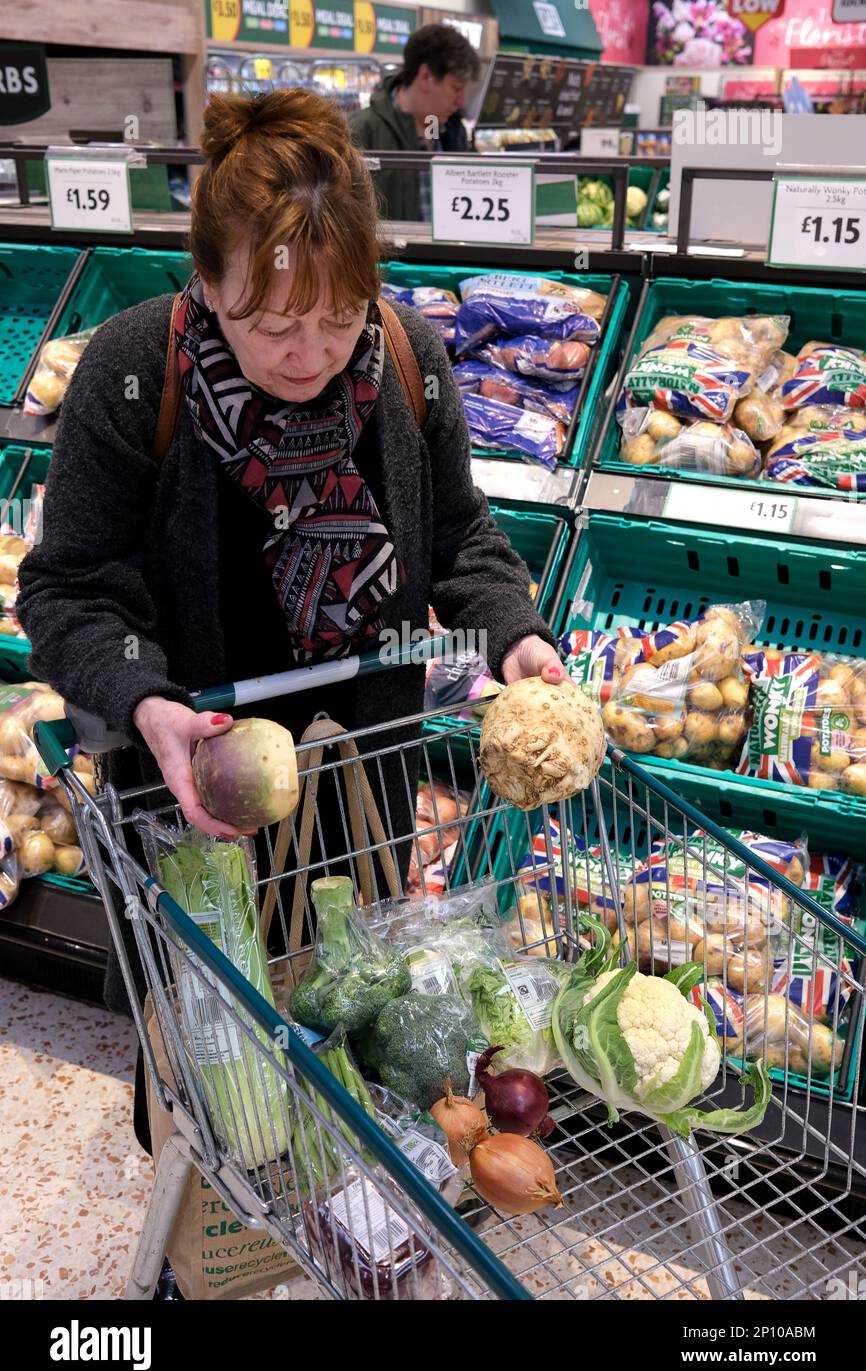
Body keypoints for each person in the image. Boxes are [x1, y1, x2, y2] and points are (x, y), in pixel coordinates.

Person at [17, 90, 566, 1139]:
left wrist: (516, 632)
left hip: (362, 772)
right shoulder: (134, 373)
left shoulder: (407, 360)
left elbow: (458, 535)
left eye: (339, 315)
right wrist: (143, 699)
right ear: (208, 282)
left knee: (350, 1036)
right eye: (274, 324)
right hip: (197, 793)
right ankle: (198, 1247)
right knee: (214, 1063)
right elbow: (66, 585)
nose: (310, 353)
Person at [349, 23, 479, 221]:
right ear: (425, 77)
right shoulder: (361, 132)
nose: (462, 101)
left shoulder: (450, 130)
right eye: (456, 88)